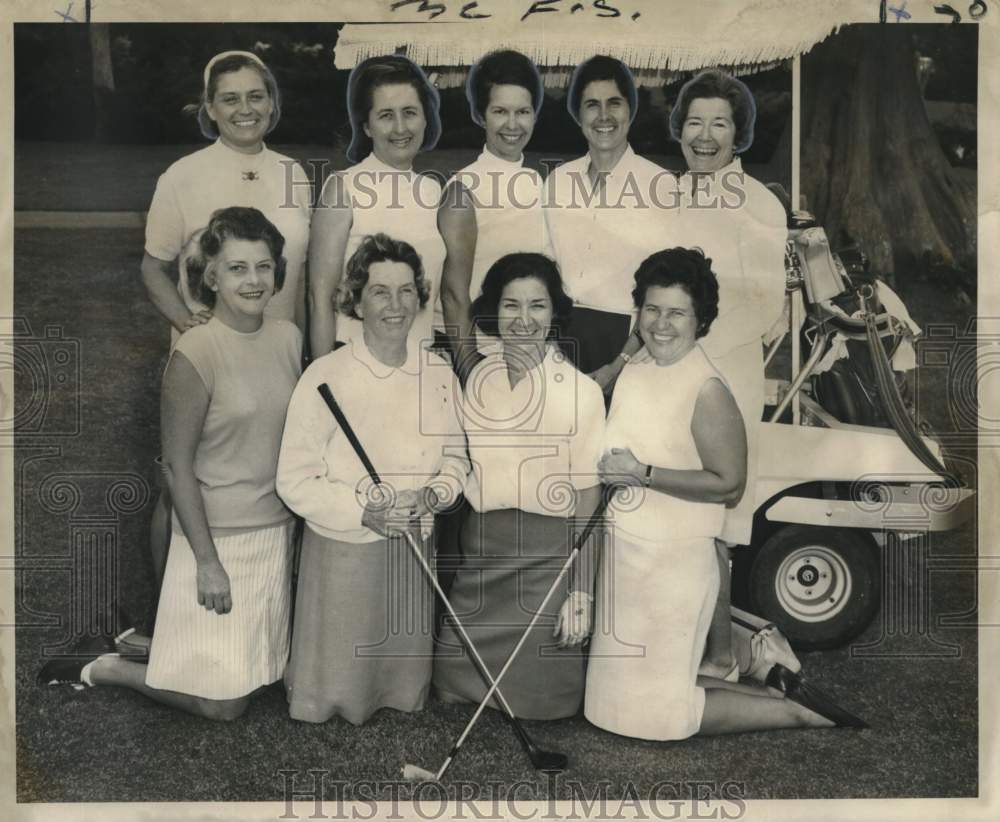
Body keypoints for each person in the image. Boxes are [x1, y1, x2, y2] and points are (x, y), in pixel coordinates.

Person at [585, 248, 865, 739]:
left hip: (674, 565)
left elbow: (729, 484)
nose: (661, 324)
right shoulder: (638, 369)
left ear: (701, 320)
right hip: (626, 558)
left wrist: (645, 473)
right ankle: (777, 690)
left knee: (656, 719)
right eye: (651, 309)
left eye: (676, 313)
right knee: (607, 709)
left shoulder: (706, 387)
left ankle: (798, 713)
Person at [39, 207, 302, 721]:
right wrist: (207, 563)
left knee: (256, 672)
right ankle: (103, 665)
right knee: (223, 703)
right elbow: (177, 468)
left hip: (273, 533)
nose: (253, 280)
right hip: (217, 540)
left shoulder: (287, 338)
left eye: (263, 266)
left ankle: (139, 643)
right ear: (211, 276)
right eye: (236, 268)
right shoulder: (195, 353)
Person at [277, 233, 468, 726]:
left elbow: (456, 457)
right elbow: (294, 480)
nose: (396, 305)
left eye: (407, 291)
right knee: (340, 684)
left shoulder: (438, 372)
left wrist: (434, 493)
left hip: (413, 548)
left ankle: (400, 690)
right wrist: (363, 511)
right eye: (381, 291)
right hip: (345, 547)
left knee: (402, 690)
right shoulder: (326, 376)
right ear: (356, 299)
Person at [141, 50, 311, 591]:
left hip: (278, 347)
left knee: (272, 475)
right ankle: (168, 615)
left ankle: (265, 600)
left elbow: (300, 273)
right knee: (186, 480)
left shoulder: (294, 174)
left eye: (256, 96)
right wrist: (188, 321)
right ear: (210, 108)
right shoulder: (183, 175)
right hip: (211, 351)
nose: (245, 109)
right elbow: (153, 267)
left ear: (272, 104)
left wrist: (305, 350)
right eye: (230, 99)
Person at [432, 253, 605, 720]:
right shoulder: (477, 382)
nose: (523, 320)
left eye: (537, 306)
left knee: (546, 708)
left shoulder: (579, 391)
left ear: (555, 313)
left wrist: (581, 592)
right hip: (482, 561)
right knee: (449, 689)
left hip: (547, 565)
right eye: (511, 305)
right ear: (493, 310)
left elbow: (590, 500)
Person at [668, 68, 789, 680]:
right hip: (674, 371)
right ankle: (682, 643)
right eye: (694, 122)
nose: (705, 135)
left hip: (724, 376)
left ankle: (718, 657)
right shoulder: (673, 194)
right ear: (679, 130)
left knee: (715, 518)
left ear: (739, 133)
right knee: (678, 510)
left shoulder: (760, 203)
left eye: (719, 123)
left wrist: (693, 343)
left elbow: (766, 306)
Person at [543, 55, 679, 393]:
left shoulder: (660, 186)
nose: (603, 116)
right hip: (558, 345)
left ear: (630, 110)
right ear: (578, 115)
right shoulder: (558, 182)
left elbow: (664, 290)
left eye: (613, 103)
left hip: (631, 348)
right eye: (592, 105)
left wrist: (620, 364)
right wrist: (553, 349)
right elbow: (545, 271)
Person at [309, 55, 446, 358]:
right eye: (386, 115)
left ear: (425, 118)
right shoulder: (343, 187)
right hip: (356, 363)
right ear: (367, 126)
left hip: (419, 364)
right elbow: (320, 298)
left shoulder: (435, 191)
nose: (400, 127)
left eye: (410, 112)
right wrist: (321, 380)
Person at [439, 49, 551, 383]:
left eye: (523, 112)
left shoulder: (534, 180)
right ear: (480, 115)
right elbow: (453, 293)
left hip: (528, 348)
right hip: (481, 351)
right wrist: (469, 366)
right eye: (500, 111)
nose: (513, 125)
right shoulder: (464, 188)